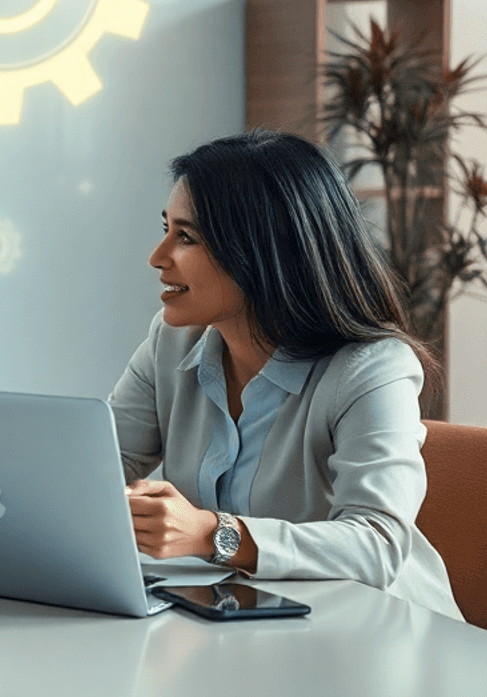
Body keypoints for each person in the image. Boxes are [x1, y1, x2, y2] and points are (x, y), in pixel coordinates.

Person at [112, 130, 461, 618]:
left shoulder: (373, 369)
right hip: (247, 627)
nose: (158, 256)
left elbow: (377, 546)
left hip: (378, 639)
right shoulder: (170, 344)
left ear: (263, 251)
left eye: (186, 237)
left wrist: (214, 534)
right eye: (166, 228)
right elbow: (99, 468)